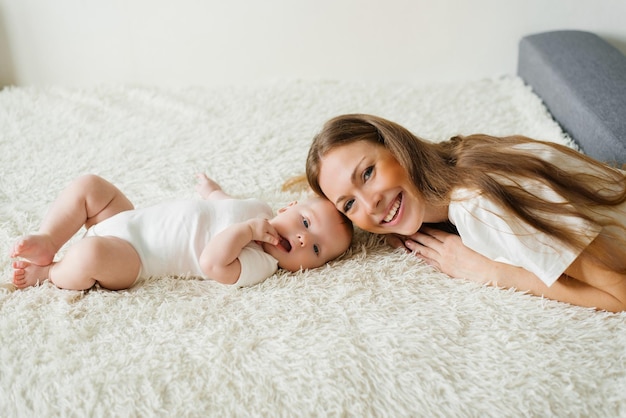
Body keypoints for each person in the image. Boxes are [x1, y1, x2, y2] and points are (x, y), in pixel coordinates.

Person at [304, 113, 626, 312]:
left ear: (395, 145)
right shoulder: (460, 158)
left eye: (367, 173)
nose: (370, 204)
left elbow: (621, 292)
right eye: (349, 204)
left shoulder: (479, 204)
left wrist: (492, 273)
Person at [10, 173, 353, 291]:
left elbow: (212, 263)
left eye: (317, 251)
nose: (305, 240)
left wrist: (248, 232)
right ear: (287, 209)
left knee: (89, 255)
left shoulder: (261, 265)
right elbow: (225, 205)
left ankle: (51, 271)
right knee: (90, 186)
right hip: (128, 220)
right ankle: (49, 240)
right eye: (306, 224)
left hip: (133, 257)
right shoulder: (260, 208)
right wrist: (212, 192)